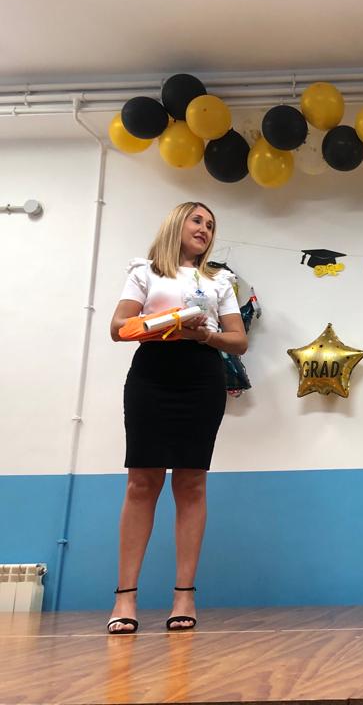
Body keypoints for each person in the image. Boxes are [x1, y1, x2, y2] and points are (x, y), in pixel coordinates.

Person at [107, 202, 247, 635]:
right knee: (141, 481)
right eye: (197, 220)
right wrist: (167, 321)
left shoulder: (218, 280)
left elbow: (238, 341)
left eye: (211, 225)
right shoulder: (145, 272)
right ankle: (125, 597)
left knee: (191, 483)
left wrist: (205, 334)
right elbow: (118, 326)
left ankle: (184, 595)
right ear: (177, 224)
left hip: (201, 377)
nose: (205, 229)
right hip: (151, 375)